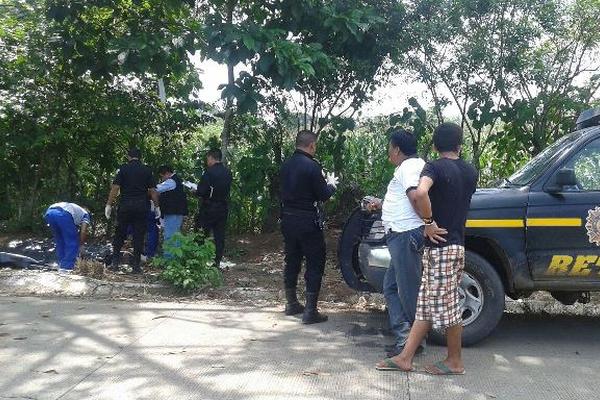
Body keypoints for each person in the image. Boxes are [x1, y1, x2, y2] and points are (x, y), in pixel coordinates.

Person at [376, 123, 478, 375]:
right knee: (428, 303)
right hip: (456, 243)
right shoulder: (470, 171)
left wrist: (428, 222)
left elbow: (420, 194)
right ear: (459, 145)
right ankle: (408, 357)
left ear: (434, 146)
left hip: (440, 245)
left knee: (440, 303)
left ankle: (450, 361)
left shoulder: (433, 167)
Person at [367, 129, 427, 357]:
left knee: (409, 292)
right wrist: (382, 204)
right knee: (391, 287)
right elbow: (407, 199)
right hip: (401, 234)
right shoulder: (409, 167)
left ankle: (414, 344)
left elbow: (415, 197)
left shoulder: (409, 167)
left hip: (406, 235)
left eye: (390, 149)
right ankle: (404, 337)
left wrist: (428, 223)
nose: (388, 153)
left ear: (398, 149)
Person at [279, 130, 339, 324]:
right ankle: (310, 310)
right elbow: (323, 195)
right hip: (307, 221)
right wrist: (331, 186)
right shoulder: (313, 167)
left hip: (287, 219)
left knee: (292, 259)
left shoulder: (285, 166)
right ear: (312, 145)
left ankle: (291, 303)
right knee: (315, 262)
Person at [105, 148, 160, 274]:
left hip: (125, 205)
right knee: (139, 235)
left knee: (120, 233)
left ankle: (115, 263)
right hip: (141, 206)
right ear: (140, 157)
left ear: (128, 156)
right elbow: (153, 190)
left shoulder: (123, 169)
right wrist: (157, 206)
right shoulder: (147, 170)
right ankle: (136, 266)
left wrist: (109, 204)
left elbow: (115, 188)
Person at [186, 149, 232, 267]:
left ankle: (198, 260)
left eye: (207, 159)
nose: (207, 161)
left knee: (201, 232)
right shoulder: (227, 172)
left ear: (211, 158)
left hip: (209, 207)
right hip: (222, 206)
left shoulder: (209, 172)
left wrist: (194, 191)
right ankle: (217, 261)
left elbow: (202, 191)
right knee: (219, 235)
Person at [44, 202, 91, 273]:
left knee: (60, 241)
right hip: (63, 214)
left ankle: (61, 264)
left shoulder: (75, 209)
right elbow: (83, 231)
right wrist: (81, 245)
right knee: (72, 242)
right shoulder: (85, 214)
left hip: (49, 212)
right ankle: (66, 268)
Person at [157, 165, 188, 256]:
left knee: (170, 236)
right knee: (176, 236)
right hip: (177, 212)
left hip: (172, 212)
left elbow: (157, 188)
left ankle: (169, 259)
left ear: (166, 173)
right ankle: (176, 259)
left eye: (162, 176)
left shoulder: (171, 181)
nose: (162, 179)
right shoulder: (177, 180)